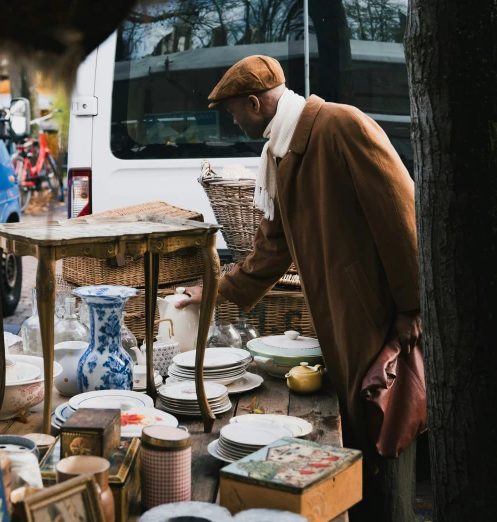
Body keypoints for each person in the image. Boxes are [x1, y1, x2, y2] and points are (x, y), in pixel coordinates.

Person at [178, 55, 422, 521]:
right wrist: (216, 291)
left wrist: (411, 308)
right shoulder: (278, 152)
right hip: (335, 313)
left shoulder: (340, 125)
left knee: (385, 424)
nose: (232, 121)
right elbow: (272, 248)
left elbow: (401, 214)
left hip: (372, 310)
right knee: (354, 430)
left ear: (254, 102)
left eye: (233, 111)